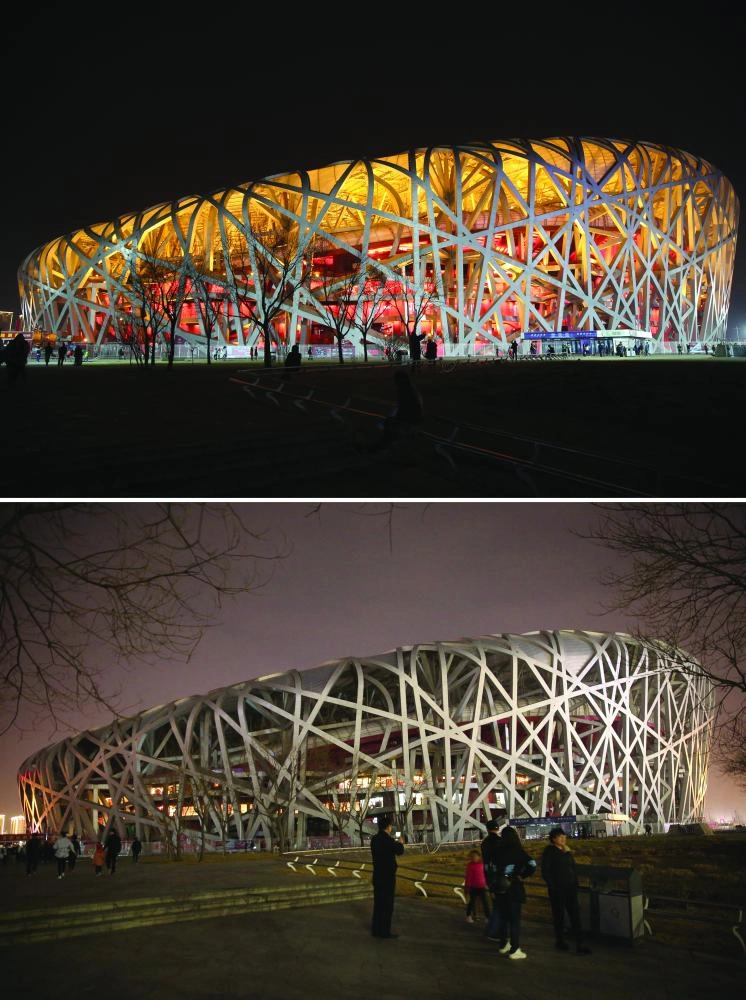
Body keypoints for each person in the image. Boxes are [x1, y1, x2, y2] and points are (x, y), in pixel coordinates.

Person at [541, 826, 591, 954]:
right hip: (558, 890)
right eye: (560, 837)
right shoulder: (550, 852)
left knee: (575, 915)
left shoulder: (566, 851)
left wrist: (576, 884)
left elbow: (572, 869)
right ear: (553, 839)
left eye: (564, 836)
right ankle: (560, 941)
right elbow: (546, 871)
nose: (564, 838)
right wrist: (553, 886)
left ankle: (580, 943)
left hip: (570, 889)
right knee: (559, 916)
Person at [491, 825, 537, 960]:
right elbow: (532, 864)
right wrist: (522, 875)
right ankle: (515, 948)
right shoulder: (518, 851)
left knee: (503, 918)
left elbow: (490, 868)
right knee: (515, 920)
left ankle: (503, 944)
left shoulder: (497, 851)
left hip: (499, 888)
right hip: (514, 888)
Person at [370, 813, 404, 939]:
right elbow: (399, 851)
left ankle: (376, 929)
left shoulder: (375, 839)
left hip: (377, 875)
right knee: (387, 905)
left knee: (378, 904)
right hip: (388, 878)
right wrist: (400, 842)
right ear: (388, 827)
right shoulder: (388, 840)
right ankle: (384, 931)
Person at [481, 818, 503, 940]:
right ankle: (493, 930)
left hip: (489, 876)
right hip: (499, 876)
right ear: (498, 828)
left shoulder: (484, 843)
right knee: (499, 905)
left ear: (487, 829)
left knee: (495, 904)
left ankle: (492, 928)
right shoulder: (501, 841)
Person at [463, 848, 491, 923]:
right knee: (472, 902)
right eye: (472, 856)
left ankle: (488, 917)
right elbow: (468, 877)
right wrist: (467, 887)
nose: (473, 858)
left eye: (475, 856)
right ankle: (468, 916)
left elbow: (485, 875)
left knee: (485, 902)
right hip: (473, 887)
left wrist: (486, 885)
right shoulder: (470, 866)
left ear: (479, 857)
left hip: (482, 886)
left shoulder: (482, 865)